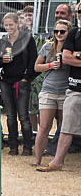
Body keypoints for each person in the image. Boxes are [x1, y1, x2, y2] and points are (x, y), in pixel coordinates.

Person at [39, 3, 81, 171]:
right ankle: (57, 162)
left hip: (65, 89)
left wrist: (76, 55)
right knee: (65, 129)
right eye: (79, 11)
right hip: (74, 88)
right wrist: (74, 55)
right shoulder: (74, 33)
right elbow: (67, 58)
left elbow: (71, 57)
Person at [33, 19, 71, 167]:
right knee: (44, 127)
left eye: (62, 31)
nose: (59, 34)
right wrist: (50, 65)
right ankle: (37, 160)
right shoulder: (48, 47)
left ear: (69, 32)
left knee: (63, 127)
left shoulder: (71, 50)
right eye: (56, 31)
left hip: (66, 91)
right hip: (48, 89)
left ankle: (58, 159)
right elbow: (36, 67)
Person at [0, 12, 38, 156]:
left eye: (11, 24)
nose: (8, 27)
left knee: (23, 116)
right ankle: (13, 145)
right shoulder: (3, 41)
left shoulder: (27, 39)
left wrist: (26, 79)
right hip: (5, 81)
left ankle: (27, 146)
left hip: (21, 81)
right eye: (6, 25)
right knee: (9, 116)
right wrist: (1, 60)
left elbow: (34, 61)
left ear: (17, 24)